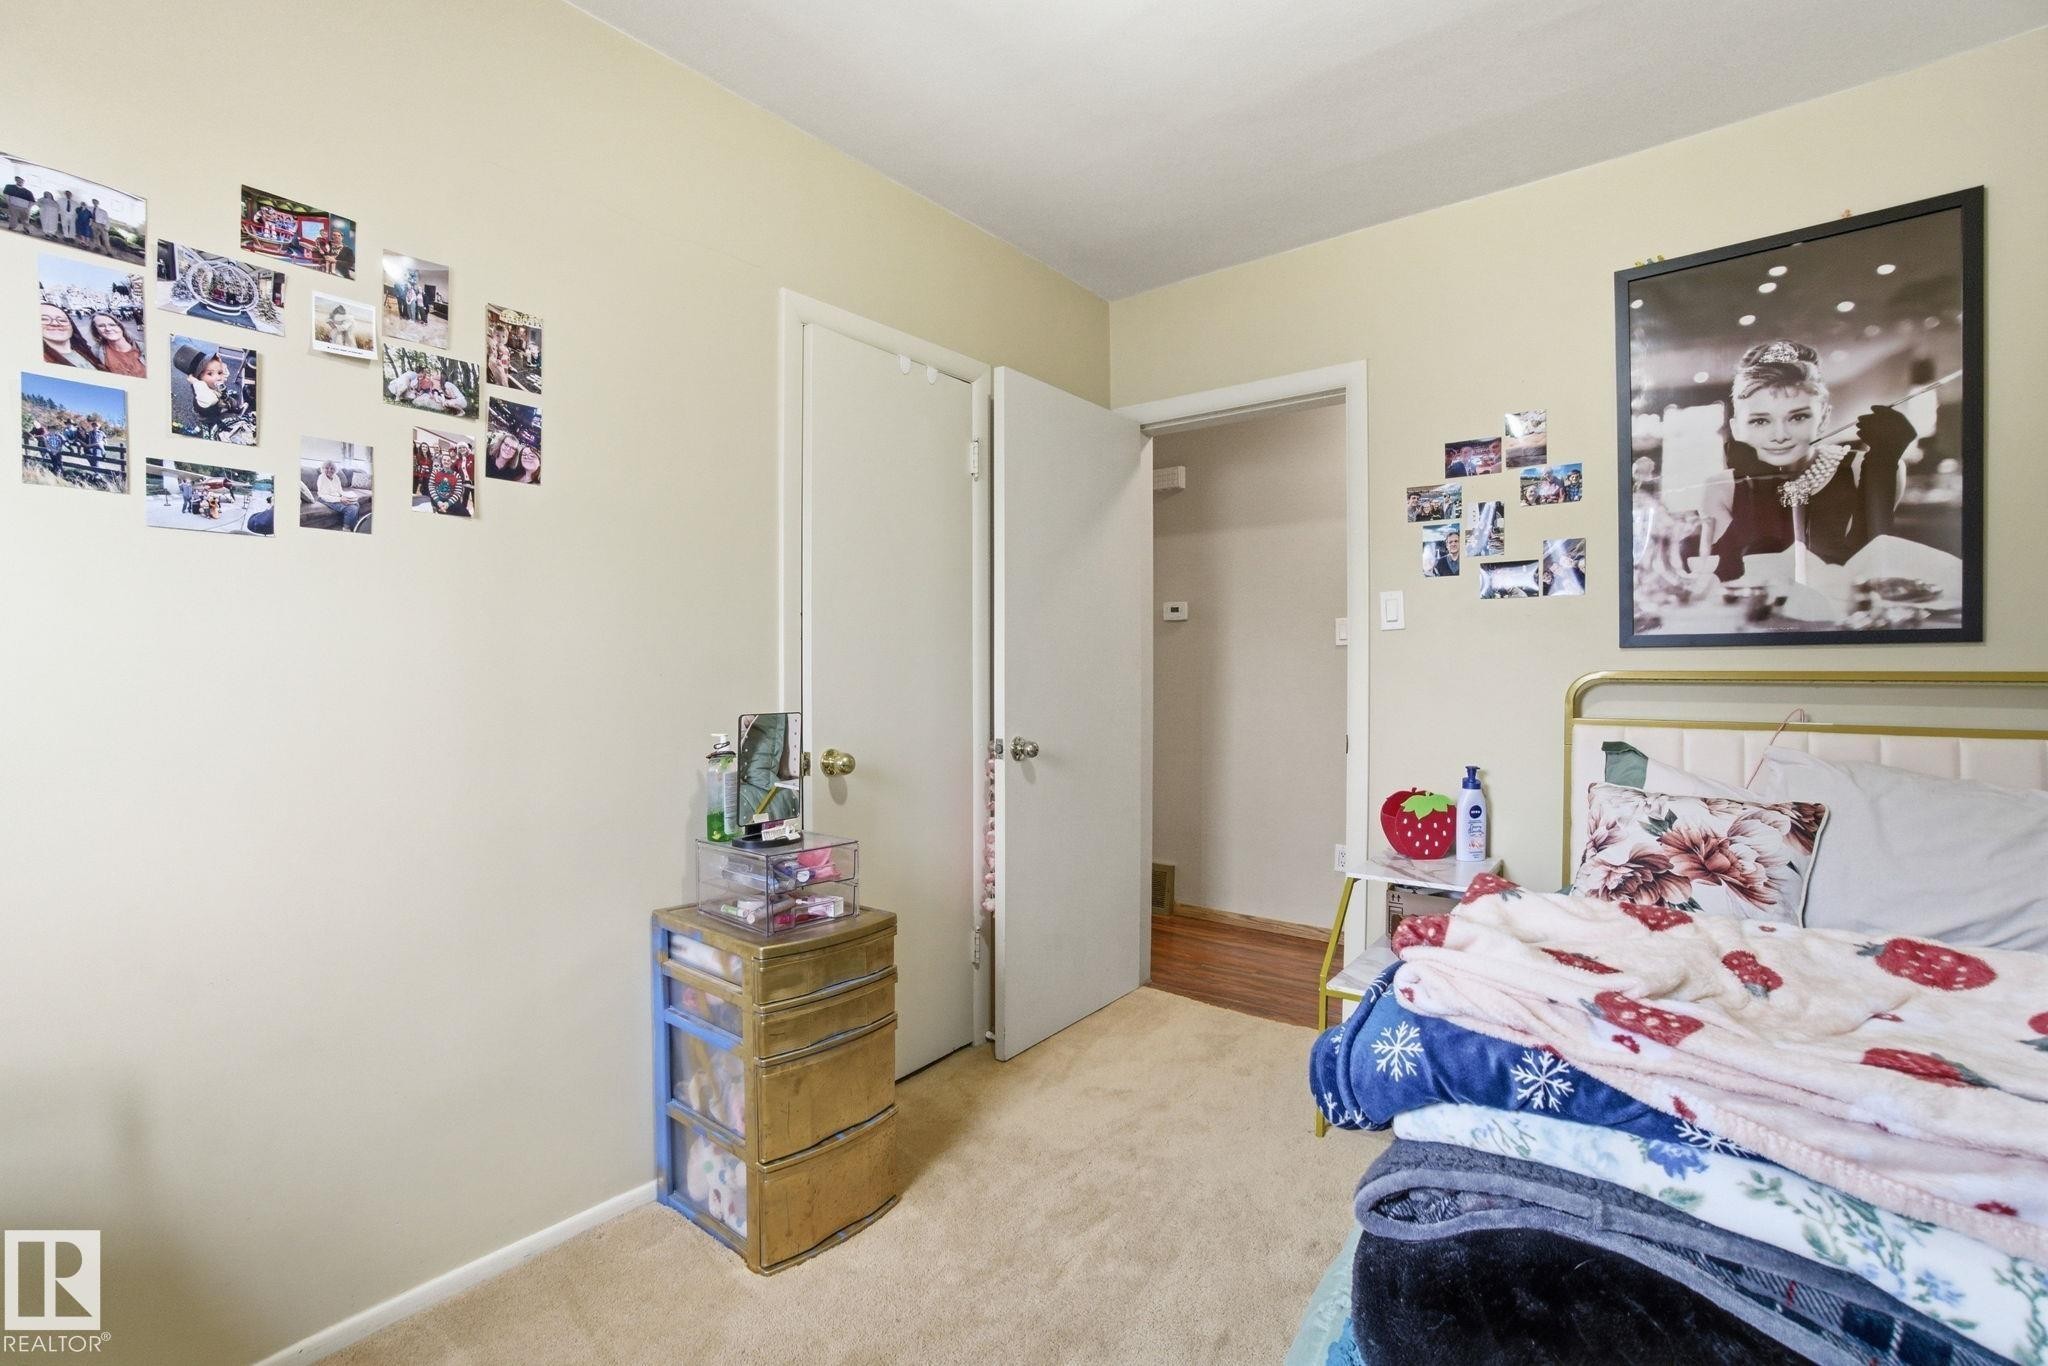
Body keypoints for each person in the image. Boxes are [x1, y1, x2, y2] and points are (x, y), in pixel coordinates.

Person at [1704, 339, 1916, 580]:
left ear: (1824, 418)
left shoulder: (1865, 468)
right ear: (1736, 428)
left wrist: (1882, 466)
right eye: (1760, 420)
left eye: (1798, 417)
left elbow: (1871, 568)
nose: (1780, 436)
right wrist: (1757, 486)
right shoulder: (1721, 488)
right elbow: (1734, 576)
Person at [171, 345, 234, 439]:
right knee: (209, 421)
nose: (219, 377)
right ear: (199, 379)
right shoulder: (202, 392)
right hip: (206, 412)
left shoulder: (213, 382)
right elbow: (210, 399)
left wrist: (219, 363)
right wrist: (195, 382)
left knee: (226, 402)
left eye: (219, 372)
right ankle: (203, 427)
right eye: (210, 373)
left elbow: (225, 374)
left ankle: (228, 406)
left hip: (219, 401)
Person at [40, 302, 97, 368]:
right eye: (44, 319)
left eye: (62, 320)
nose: (55, 323)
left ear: (71, 325)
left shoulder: (87, 352)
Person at [89, 311, 144, 376]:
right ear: (96, 331)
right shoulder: (96, 351)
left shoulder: (144, 347)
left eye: (112, 325)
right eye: (101, 326)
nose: (108, 329)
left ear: (120, 326)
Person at [314, 460, 362, 531]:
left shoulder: (336, 477)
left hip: (336, 497)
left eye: (332, 468)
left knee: (356, 504)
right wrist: (340, 499)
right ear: (323, 469)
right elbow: (323, 495)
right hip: (324, 498)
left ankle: (354, 525)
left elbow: (340, 490)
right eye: (327, 468)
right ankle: (346, 527)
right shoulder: (321, 478)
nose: (329, 470)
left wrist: (345, 497)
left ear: (335, 470)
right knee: (352, 508)